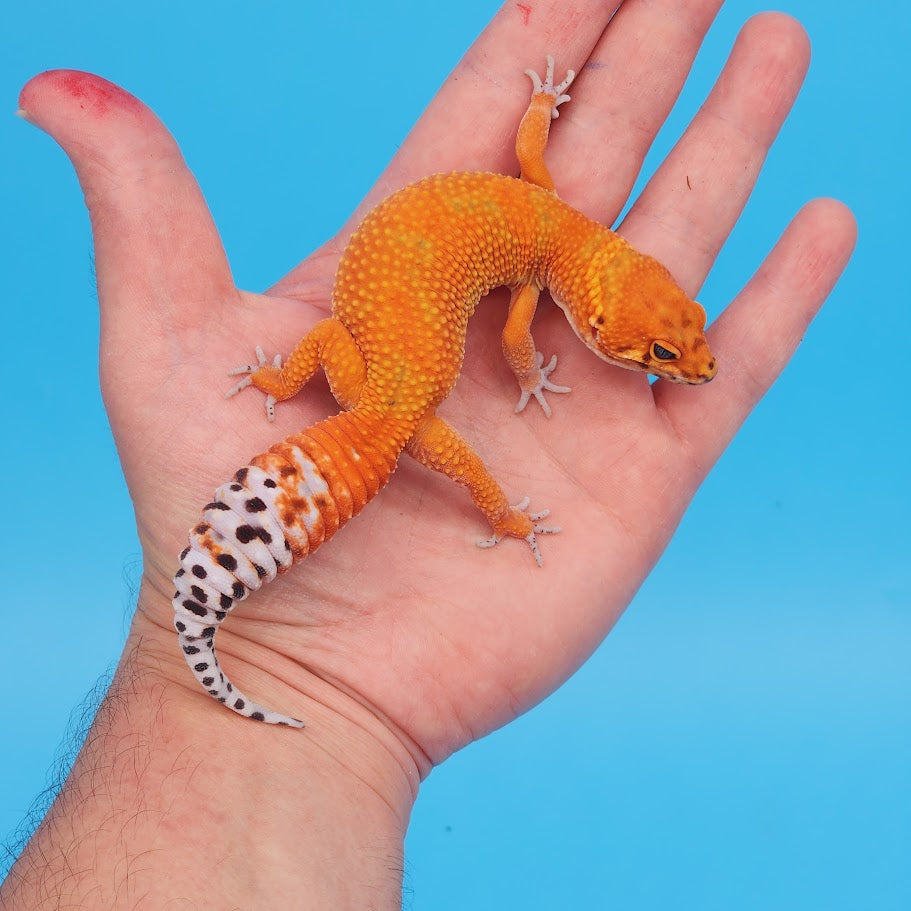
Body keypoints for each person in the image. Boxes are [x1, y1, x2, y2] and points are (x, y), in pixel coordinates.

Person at [1, 2, 855, 908]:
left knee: (347, 374)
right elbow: (521, 344)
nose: (687, 363)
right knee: (438, 448)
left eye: (670, 348)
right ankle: (502, 516)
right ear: (600, 322)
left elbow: (534, 149)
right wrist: (522, 399)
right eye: (661, 352)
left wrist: (545, 100)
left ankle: (303, 410)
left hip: (359, 354)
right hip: (395, 393)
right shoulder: (538, 276)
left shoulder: (543, 207)